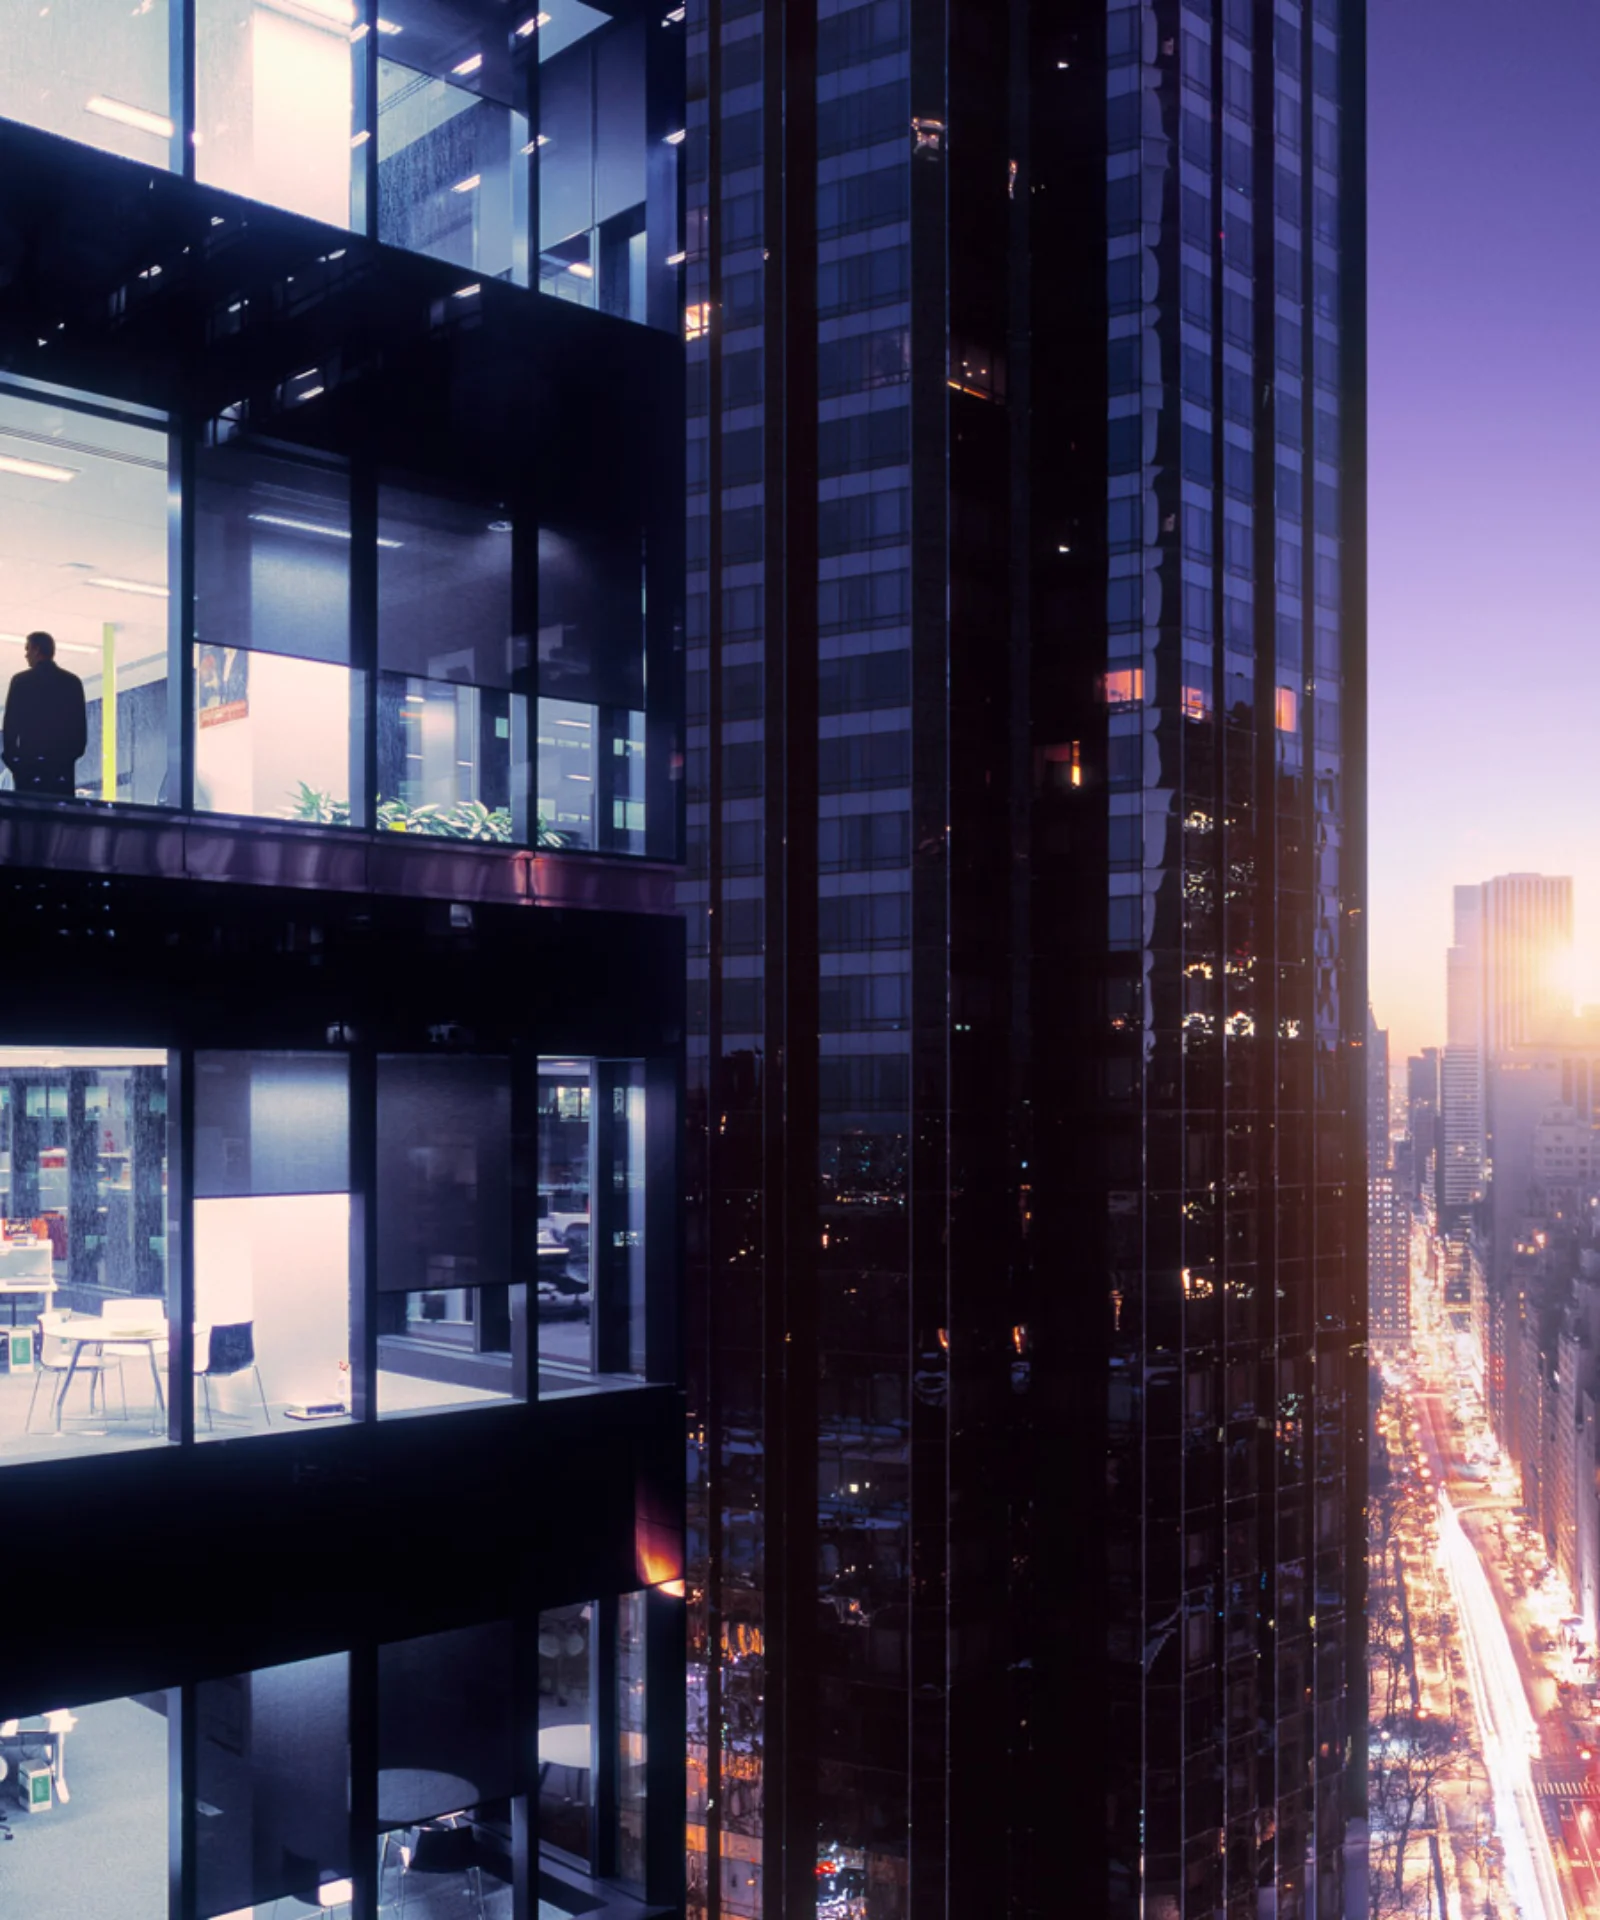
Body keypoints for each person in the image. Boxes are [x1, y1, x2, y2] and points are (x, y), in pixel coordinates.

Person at [2, 631, 87, 797]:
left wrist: (15, 763)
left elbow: (11, 727)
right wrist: (67, 760)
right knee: (59, 817)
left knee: (30, 818)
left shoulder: (21, 682)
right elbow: (79, 731)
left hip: (28, 769)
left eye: (28, 649)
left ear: (36, 650)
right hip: (61, 771)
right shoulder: (72, 683)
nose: (26, 655)